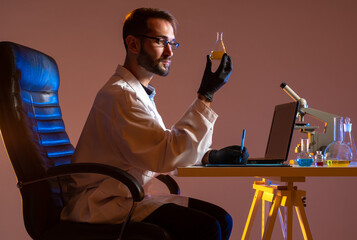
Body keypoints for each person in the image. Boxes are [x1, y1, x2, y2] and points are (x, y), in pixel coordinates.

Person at [61, 7, 248, 240]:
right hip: (103, 204)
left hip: (123, 196)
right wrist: (205, 96)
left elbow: (157, 147)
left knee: (222, 219)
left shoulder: (135, 92)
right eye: (161, 42)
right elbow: (165, 155)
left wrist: (210, 156)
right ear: (133, 44)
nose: (170, 52)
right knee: (207, 227)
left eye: (172, 43)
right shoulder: (121, 95)